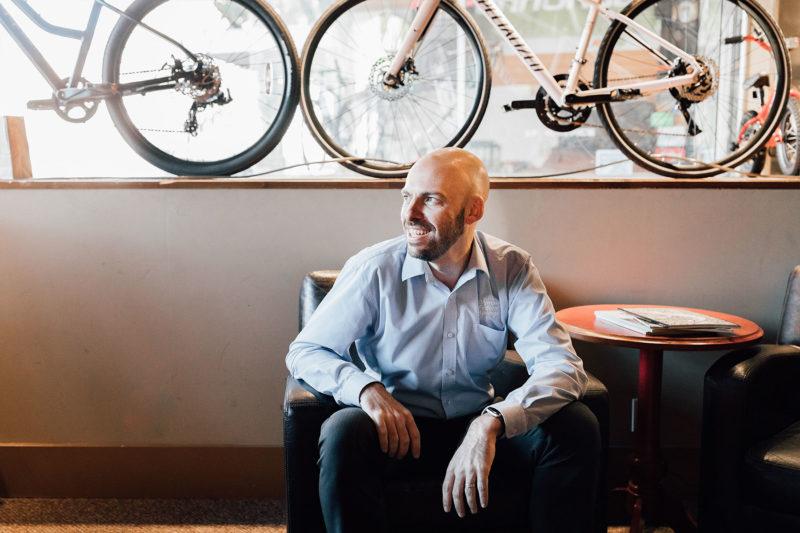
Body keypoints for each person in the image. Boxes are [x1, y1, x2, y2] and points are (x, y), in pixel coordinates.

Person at [286, 148, 600, 533]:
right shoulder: (373, 270)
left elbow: (563, 368)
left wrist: (492, 423)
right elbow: (306, 351)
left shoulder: (511, 267)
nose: (410, 213)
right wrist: (365, 389)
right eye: (406, 196)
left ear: (473, 211)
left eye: (430, 199)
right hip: (394, 431)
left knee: (575, 426)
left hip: (479, 423)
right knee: (342, 432)